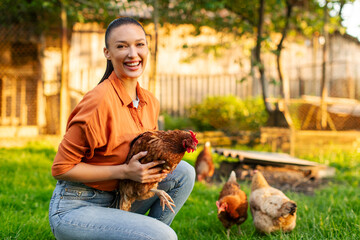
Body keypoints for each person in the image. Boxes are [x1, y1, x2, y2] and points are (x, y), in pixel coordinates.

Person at [48, 17, 195, 240]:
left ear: (148, 48)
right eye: (122, 46)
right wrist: (125, 171)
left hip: (119, 197)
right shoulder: (98, 102)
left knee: (184, 173)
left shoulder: (149, 102)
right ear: (107, 53)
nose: (133, 54)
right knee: (163, 237)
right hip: (77, 206)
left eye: (139, 44)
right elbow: (61, 168)